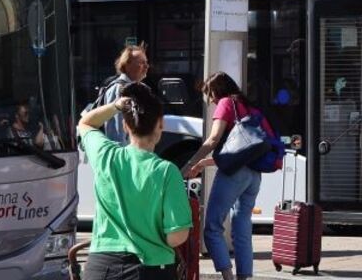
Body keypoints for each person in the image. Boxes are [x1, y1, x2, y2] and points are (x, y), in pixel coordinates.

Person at [77, 82, 192, 280]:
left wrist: (116, 106)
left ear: (125, 125)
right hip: (151, 269)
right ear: (161, 125)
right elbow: (176, 236)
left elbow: (85, 123)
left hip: (100, 268)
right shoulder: (166, 172)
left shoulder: (106, 156)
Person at [182, 72, 263, 280]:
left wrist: (190, 163)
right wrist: (204, 163)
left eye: (210, 94)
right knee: (242, 228)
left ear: (217, 91)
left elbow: (213, 140)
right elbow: (239, 151)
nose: (210, 100)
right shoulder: (246, 105)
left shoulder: (226, 103)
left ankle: (228, 277)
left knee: (212, 227)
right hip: (254, 175)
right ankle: (244, 277)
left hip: (234, 175)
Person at [94, 44, 151, 149]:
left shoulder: (142, 88)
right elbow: (116, 133)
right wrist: (124, 160)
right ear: (127, 65)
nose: (147, 66)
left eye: (146, 62)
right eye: (142, 63)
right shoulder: (118, 89)